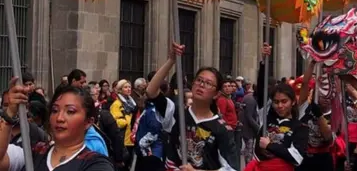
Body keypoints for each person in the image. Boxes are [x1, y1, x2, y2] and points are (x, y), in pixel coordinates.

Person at [0, 78, 114, 171]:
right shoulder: (33, 153)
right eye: (55, 110)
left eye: (70, 111)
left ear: (88, 122)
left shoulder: (96, 164)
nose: (60, 118)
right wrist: (10, 112)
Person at [150, 41, 237, 171]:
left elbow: (231, 169)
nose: (201, 85)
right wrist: (171, 60)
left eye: (208, 83)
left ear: (216, 94)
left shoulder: (222, 129)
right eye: (199, 80)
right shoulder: (177, 114)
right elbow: (151, 91)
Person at [250, 44, 308, 171]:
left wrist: (270, 146)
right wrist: (264, 62)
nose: (279, 106)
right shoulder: (265, 116)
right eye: (276, 102)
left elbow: (296, 157)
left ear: (293, 102)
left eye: (284, 101)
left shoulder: (299, 127)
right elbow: (262, 89)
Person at [110, 79, 137, 170]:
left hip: (132, 138)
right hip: (123, 139)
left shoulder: (133, 103)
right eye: (125, 87)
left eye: (129, 87)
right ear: (120, 90)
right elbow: (116, 121)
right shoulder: (116, 104)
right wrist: (127, 120)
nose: (129, 89)